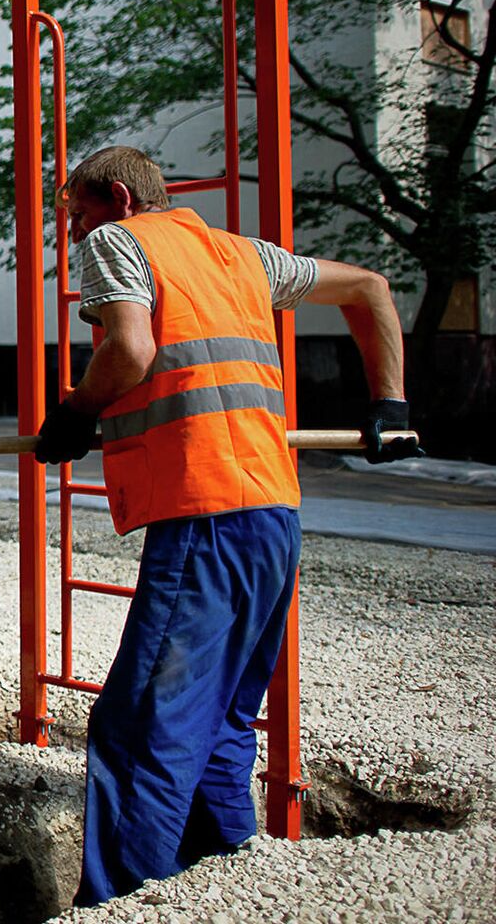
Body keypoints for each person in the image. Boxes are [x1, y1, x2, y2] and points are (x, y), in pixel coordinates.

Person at [34, 146, 422, 906]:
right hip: (273, 517)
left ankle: (126, 903)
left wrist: (76, 413)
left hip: (204, 515)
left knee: (142, 725)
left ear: (117, 197)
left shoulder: (121, 242)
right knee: (218, 723)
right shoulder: (243, 256)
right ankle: (226, 883)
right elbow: (371, 288)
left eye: (76, 213)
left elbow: (133, 348)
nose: (73, 232)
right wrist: (391, 403)